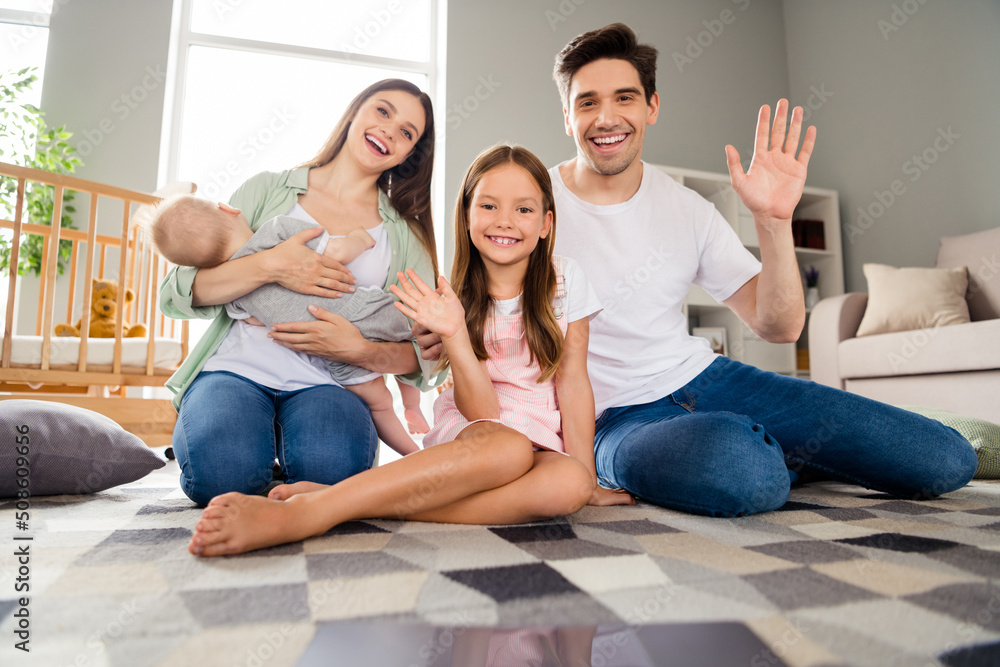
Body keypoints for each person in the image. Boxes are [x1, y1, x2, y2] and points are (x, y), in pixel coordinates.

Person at [415, 24, 977, 518]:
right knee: (746, 474)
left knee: (946, 460)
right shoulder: (528, 208)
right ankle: (771, 449)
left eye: (625, 98)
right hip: (616, 421)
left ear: (651, 106)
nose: (606, 118)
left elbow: (779, 325)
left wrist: (772, 220)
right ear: (567, 116)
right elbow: (474, 310)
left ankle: (780, 443)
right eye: (587, 103)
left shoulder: (687, 208)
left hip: (708, 381)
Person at [187, 144, 634, 557]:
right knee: (509, 449)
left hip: (542, 441)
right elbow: (481, 413)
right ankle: (307, 515)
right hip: (479, 432)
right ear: (467, 215)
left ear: (546, 224)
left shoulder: (567, 279)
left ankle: (343, 501)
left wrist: (590, 477)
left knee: (570, 486)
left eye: (524, 209)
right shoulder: (447, 295)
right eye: (488, 206)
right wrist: (455, 332)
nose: (505, 220)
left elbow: (573, 381)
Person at [159, 78, 444, 507]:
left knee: (335, 473)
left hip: (332, 383)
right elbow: (175, 292)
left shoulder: (404, 235)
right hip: (235, 371)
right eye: (383, 111)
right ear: (355, 112)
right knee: (219, 475)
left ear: (409, 154)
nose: (390, 130)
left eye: (407, 132)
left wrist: (363, 352)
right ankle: (251, 452)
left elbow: (428, 353)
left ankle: (275, 469)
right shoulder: (268, 190)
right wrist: (268, 266)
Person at [147, 194, 426, 456]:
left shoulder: (235, 293)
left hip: (330, 354)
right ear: (228, 209)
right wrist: (360, 239)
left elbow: (256, 319)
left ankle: (413, 455)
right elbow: (338, 252)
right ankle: (413, 404)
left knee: (381, 406)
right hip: (364, 311)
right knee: (413, 332)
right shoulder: (277, 230)